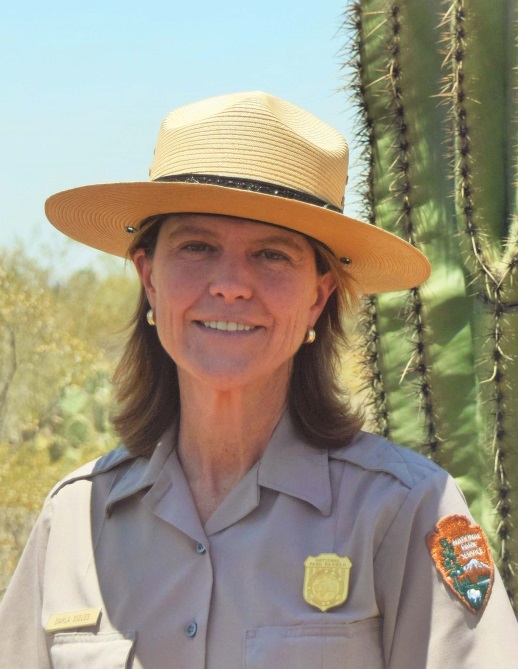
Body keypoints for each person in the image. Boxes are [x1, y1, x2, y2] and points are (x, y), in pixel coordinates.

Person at [0, 91, 517, 668]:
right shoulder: (73, 519)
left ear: (319, 296)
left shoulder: (402, 510)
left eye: (273, 255)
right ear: (149, 279)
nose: (231, 285)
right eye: (197, 246)